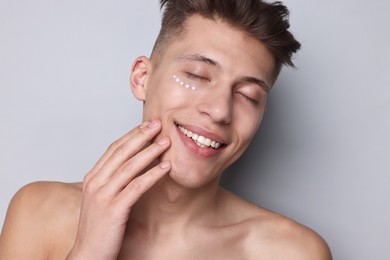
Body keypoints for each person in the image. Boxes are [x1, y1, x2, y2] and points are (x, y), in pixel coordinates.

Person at [0, 0, 332, 259]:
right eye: (198, 76)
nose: (219, 111)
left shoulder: (291, 253)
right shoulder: (38, 213)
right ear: (141, 78)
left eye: (248, 95)